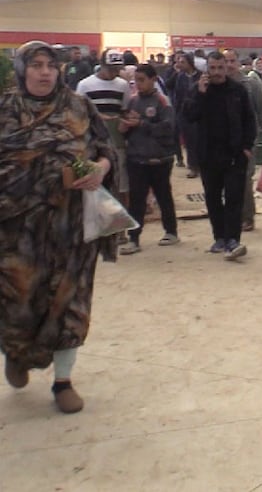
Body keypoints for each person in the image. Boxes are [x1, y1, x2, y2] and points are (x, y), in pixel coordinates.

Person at [1, 40, 117, 414]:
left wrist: (99, 168)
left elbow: (105, 149)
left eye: (51, 65)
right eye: (36, 65)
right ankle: (17, 354)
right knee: (17, 302)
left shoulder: (79, 107)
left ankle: (63, 381)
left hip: (71, 228)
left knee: (71, 301)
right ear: (22, 69)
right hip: (15, 232)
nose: (45, 72)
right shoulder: (4, 109)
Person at [183, 51, 256, 261]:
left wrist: (247, 146)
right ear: (207, 68)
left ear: (226, 67)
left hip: (234, 154)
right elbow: (188, 116)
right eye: (212, 68)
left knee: (234, 198)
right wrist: (200, 93)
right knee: (213, 199)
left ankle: (233, 239)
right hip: (208, 154)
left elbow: (249, 119)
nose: (216, 72)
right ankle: (219, 237)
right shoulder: (198, 90)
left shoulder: (238, 91)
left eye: (220, 67)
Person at [118, 64, 180, 254]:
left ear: (153, 80)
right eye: (136, 80)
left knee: (163, 196)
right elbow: (128, 126)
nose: (138, 84)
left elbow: (168, 129)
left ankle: (171, 231)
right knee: (136, 199)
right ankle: (134, 238)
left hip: (159, 159)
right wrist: (125, 129)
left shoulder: (162, 102)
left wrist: (143, 124)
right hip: (136, 158)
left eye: (142, 80)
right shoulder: (133, 101)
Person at [76, 49, 133, 212]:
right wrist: (98, 117)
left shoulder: (122, 85)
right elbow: (79, 112)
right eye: (111, 69)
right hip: (92, 139)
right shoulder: (85, 85)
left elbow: (124, 109)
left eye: (117, 69)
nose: (114, 73)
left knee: (121, 178)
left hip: (116, 137)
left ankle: (121, 220)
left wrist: (124, 121)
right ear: (101, 65)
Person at [222, 49, 262, 232]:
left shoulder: (251, 83)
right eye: (225, 61)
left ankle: (247, 217)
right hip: (224, 141)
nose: (228, 65)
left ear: (238, 62)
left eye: (232, 61)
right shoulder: (218, 85)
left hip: (247, 140)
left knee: (244, 178)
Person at [167, 52, 202, 176]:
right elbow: (176, 93)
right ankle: (193, 167)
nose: (179, 65)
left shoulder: (200, 76)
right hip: (184, 114)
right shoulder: (180, 76)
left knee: (200, 141)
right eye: (178, 62)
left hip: (200, 115)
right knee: (189, 142)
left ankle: (201, 165)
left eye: (183, 62)